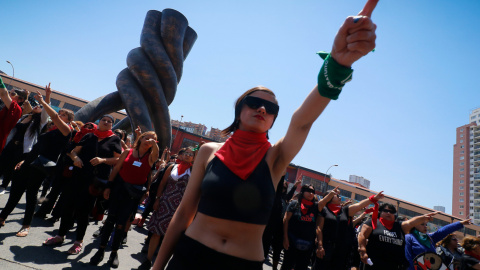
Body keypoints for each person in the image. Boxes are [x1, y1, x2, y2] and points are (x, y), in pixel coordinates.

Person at [152, 1, 378, 269]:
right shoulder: (208, 151)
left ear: (273, 119)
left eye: (270, 108)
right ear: (239, 110)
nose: (262, 108)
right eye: (254, 103)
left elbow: (302, 122)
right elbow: (183, 214)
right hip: (191, 257)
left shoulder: (276, 157)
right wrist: (158, 266)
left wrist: (338, 64)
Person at [43, 115, 121, 255]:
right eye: (104, 120)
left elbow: (118, 159)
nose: (106, 122)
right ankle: (60, 236)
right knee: (68, 206)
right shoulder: (89, 136)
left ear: (111, 126)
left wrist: (103, 160)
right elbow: (73, 151)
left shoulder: (115, 139)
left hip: (95, 181)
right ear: (99, 122)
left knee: (83, 211)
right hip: (77, 177)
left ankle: (78, 242)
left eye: (110, 122)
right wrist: (76, 158)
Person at [0, 89, 73, 236]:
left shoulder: (66, 131)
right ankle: (2, 217)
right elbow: (36, 147)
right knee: (15, 191)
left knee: (31, 195)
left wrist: (44, 101)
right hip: (29, 161)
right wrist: (24, 160)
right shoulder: (48, 129)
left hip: (41, 166)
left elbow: (52, 115)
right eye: (61, 113)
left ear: (69, 120)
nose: (60, 115)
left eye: (64, 115)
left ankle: (26, 225)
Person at [89, 131, 158, 268]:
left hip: (133, 194)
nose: (148, 140)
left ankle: (114, 253)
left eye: (153, 139)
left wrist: (154, 143)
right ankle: (101, 250)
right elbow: (116, 169)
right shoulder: (128, 152)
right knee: (110, 221)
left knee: (121, 224)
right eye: (146, 137)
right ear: (140, 138)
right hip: (118, 189)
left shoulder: (151, 157)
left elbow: (156, 154)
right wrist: (109, 186)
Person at [139, 147, 195, 269]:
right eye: (186, 153)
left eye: (190, 154)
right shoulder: (172, 166)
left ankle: (162, 263)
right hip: (164, 203)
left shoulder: (193, 171)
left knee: (172, 237)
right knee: (156, 233)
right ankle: (148, 260)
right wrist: (158, 199)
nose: (187, 155)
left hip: (180, 208)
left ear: (194, 157)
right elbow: (163, 184)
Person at [314, 190, 384, 270]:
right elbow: (319, 228)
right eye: (337, 195)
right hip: (326, 247)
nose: (340, 197)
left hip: (341, 249)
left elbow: (359, 205)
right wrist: (320, 246)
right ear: (329, 197)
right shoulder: (323, 210)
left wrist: (373, 198)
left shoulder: (345, 210)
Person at [358, 203, 439, 270]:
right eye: (385, 211)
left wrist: (424, 217)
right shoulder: (372, 222)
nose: (388, 213)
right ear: (380, 212)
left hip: (394, 266)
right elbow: (362, 235)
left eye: (391, 211)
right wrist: (363, 251)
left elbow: (411, 222)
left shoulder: (400, 226)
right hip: (373, 265)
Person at [0, 88, 50, 194]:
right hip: (11, 145)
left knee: (10, 169)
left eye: (40, 107)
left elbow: (46, 110)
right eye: (37, 105)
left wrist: (46, 98)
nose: (38, 106)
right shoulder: (26, 116)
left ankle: (3, 186)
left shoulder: (40, 122)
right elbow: (26, 105)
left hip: (22, 149)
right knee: (1, 164)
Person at [280, 185, 339, 270]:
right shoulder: (295, 204)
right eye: (308, 191)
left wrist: (331, 194)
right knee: (287, 265)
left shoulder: (315, 206)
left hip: (307, 246)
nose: (311, 193)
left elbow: (324, 201)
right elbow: (286, 220)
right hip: (291, 242)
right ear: (302, 192)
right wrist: (285, 238)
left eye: (313, 192)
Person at [262, 176, 300, 270]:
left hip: (280, 226)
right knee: (265, 245)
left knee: (277, 249)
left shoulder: (285, 199)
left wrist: (295, 186)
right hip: (270, 224)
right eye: (281, 187)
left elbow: (290, 194)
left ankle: (275, 267)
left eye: (285, 188)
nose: (283, 189)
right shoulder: (274, 195)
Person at [405, 218, 472, 270]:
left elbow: (443, 231)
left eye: (426, 224)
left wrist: (460, 223)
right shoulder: (409, 237)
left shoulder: (430, 238)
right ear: (414, 226)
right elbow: (407, 258)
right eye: (422, 224)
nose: (425, 227)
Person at [0, 75, 28, 153]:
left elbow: (3, 94)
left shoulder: (17, 109)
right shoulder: (3, 103)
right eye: (9, 93)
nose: (9, 95)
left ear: (21, 99)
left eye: (12, 94)